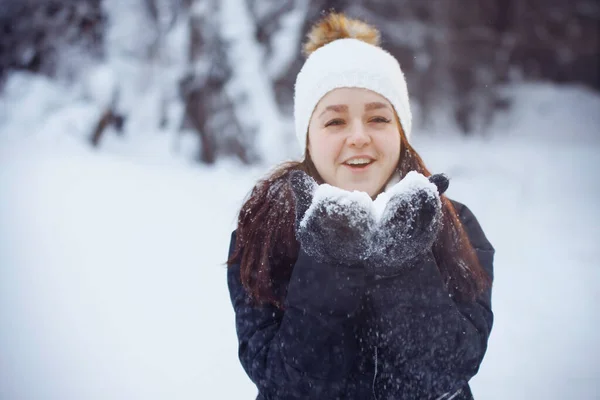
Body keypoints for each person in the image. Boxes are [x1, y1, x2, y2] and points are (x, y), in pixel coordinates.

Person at [226, 12, 494, 400]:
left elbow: (446, 372)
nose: (358, 137)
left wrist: (403, 260)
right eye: (335, 122)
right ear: (308, 140)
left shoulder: (454, 224)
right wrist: (328, 260)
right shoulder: (264, 231)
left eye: (379, 118)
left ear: (401, 132)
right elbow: (285, 383)